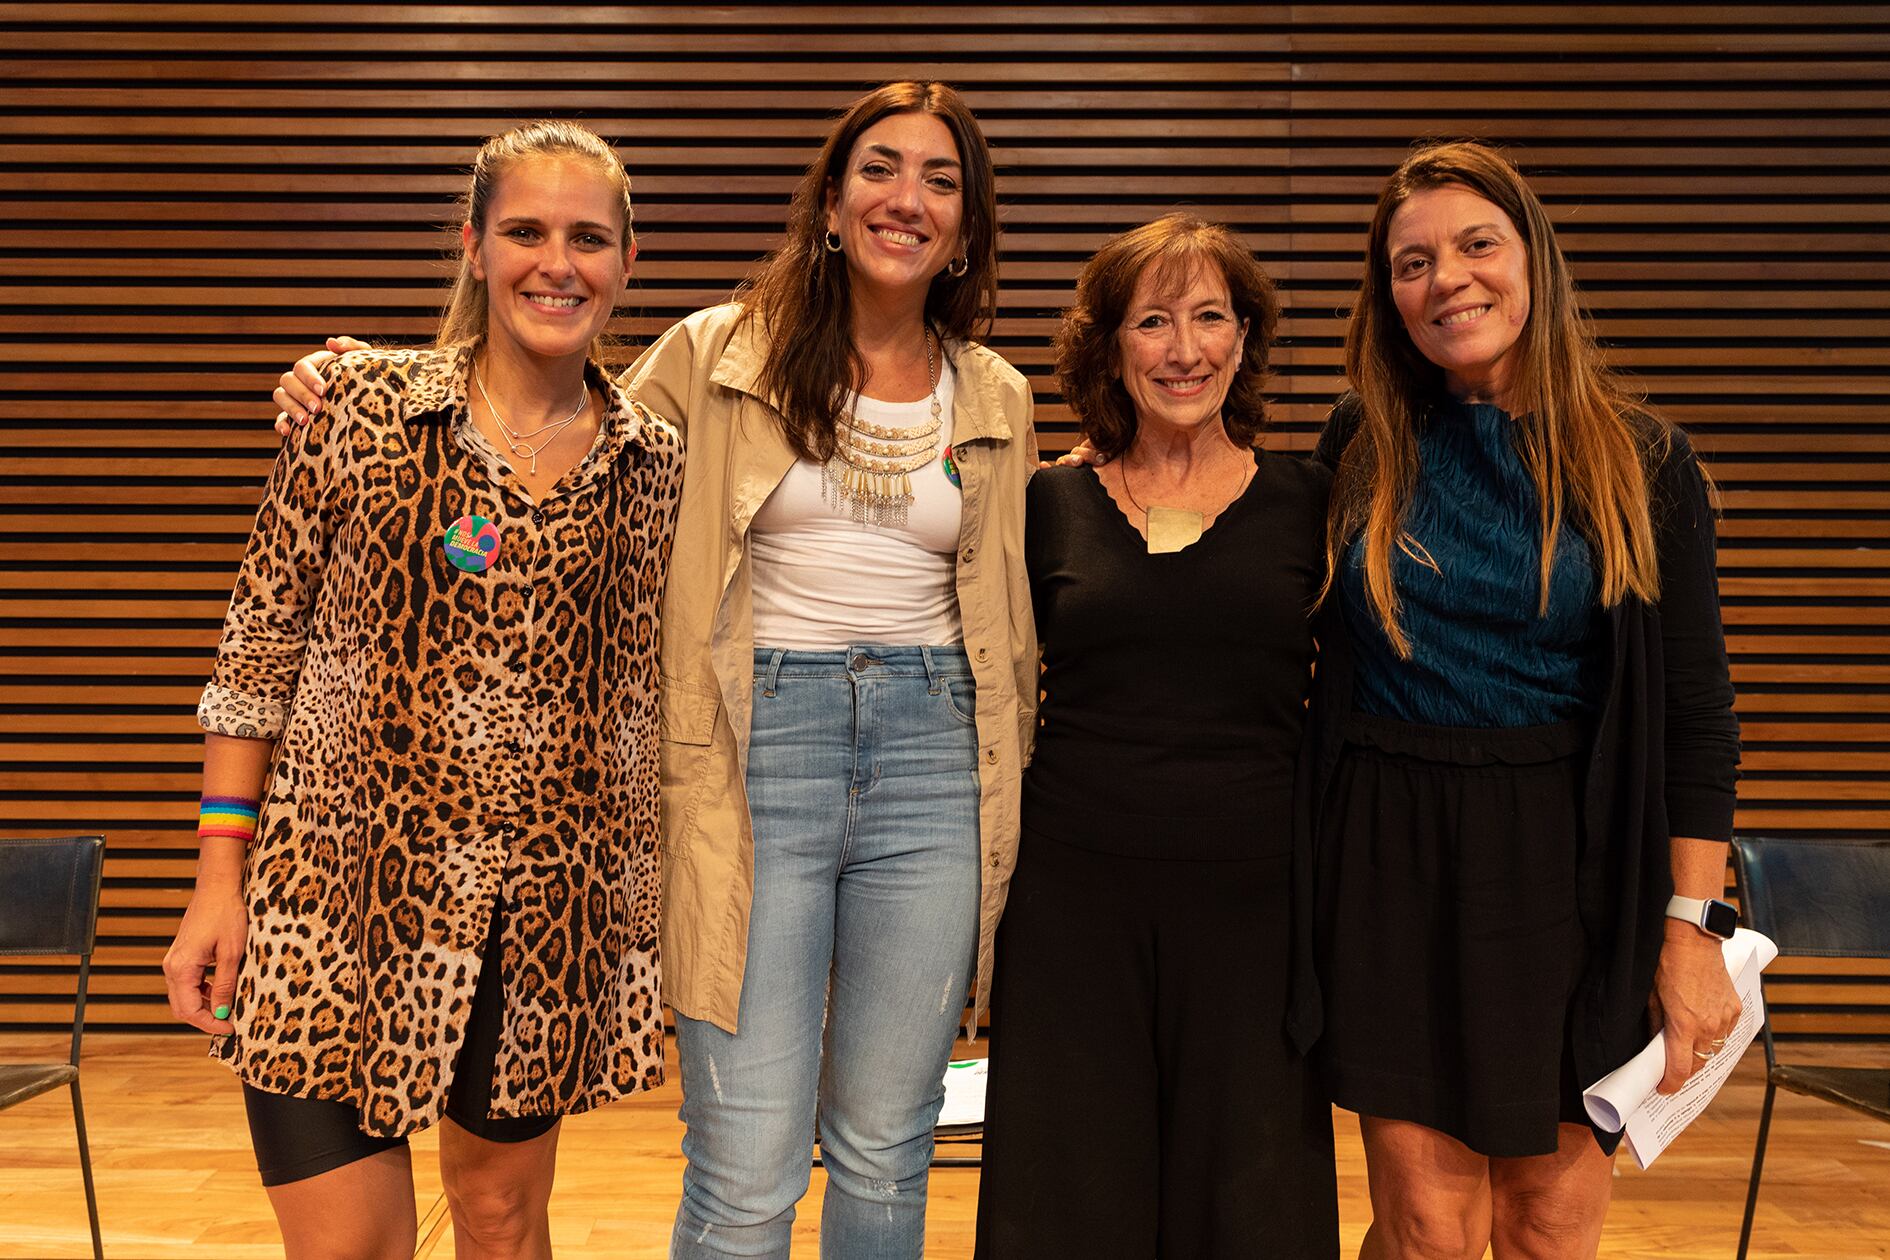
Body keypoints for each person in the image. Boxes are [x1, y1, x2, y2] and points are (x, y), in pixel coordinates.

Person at [269, 82, 1036, 1260]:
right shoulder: (717, 351)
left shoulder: (997, 395)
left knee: (891, 1143)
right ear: (831, 202)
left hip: (935, 758)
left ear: (970, 225)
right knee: (746, 1158)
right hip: (752, 751)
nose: (907, 198)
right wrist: (345, 379)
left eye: (942, 179)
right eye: (880, 167)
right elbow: (537, 431)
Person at [161, 120, 682, 1260]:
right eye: (527, 231)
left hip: (540, 916)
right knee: (353, 1248)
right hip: (329, 899)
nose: (559, 262)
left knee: (500, 1223)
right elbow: (255, 654)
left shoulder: (654, 464)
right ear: (475, 246)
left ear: (626, 263)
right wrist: (217, 882)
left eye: (589, 237)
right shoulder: (356, 409)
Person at [1298, 139, 1742, 1259]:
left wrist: (1690, 933)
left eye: (1475, 245)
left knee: (1547, 1222)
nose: (1446, 279)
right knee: (1425, 1228)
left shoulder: (1644, 462)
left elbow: (1695, 717)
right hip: (1390, 853)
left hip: (1572, 867)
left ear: (1532, 258)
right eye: (1411, 262)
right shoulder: (1361, 446)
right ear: (1387, 295)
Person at [974, 214, 1338, 1258]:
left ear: (1247, 339)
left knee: (1252, 1202)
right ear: (1110, 347)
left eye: (1211, 318)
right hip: (1074, 906)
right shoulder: (1049, 500)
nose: (1185, 350)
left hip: (1256, 914)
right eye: (1155, 322)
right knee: (1071, 1199)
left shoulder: (1313, 502)